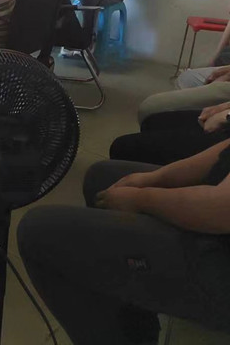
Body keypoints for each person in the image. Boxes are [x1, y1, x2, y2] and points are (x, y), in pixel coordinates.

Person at [18, 139, 230, 345]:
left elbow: (218, 210)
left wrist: (141, 200)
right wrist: (153, 179)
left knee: (36, 233)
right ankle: (137, 329)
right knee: (100, 178)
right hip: (218, 204)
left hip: (219, 256)